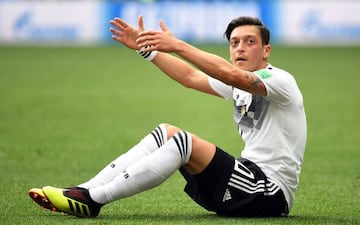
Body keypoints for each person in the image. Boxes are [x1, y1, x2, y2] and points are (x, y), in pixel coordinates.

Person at [28, 15, 307, 218]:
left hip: (269, 192)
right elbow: (190, 77)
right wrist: (147, 49)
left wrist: (179, 45)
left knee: (184, 142)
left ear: (266, 50)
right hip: (244, 181)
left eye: (250, 41)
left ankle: (93, 200)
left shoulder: (279, 80)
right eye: (234, 43)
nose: (240, 48)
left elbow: (231, 74)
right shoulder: (239, 83)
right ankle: (82, 191)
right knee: (166, 132)